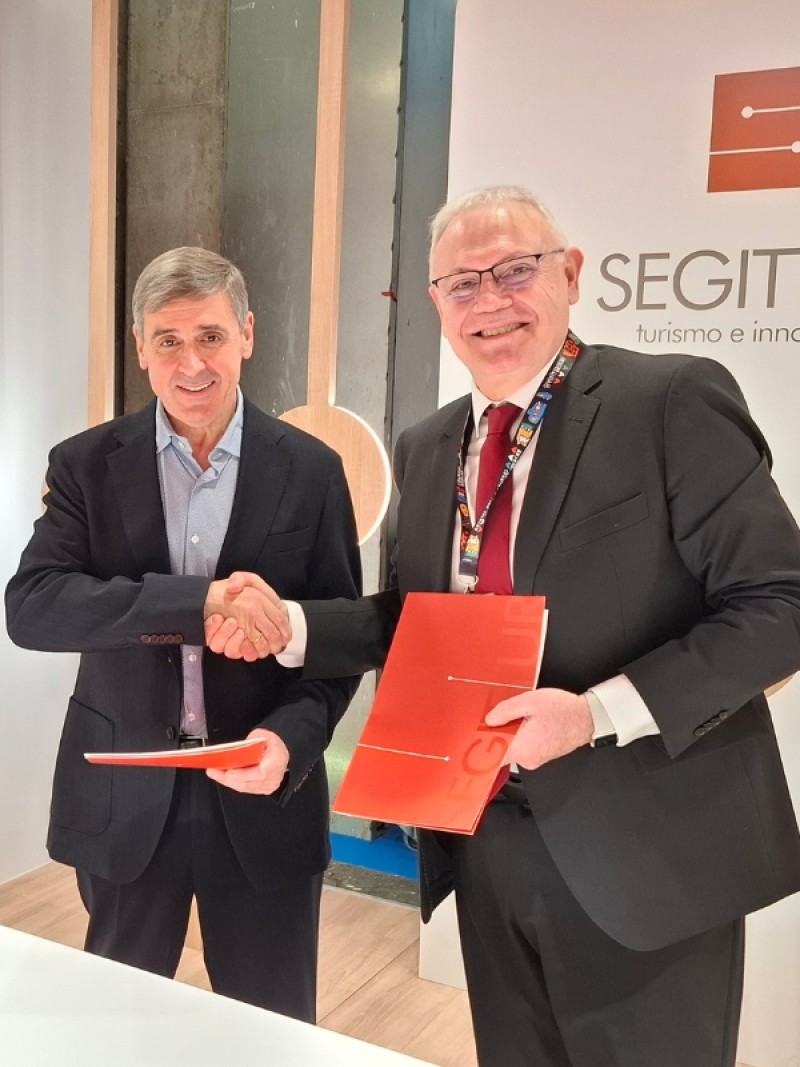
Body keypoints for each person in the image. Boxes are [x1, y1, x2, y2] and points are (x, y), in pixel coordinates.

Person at [207, 186, 800, 1066]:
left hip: (645, 851)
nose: (489, 300)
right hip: (484, 840)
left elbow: (780, 605)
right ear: (436, 303)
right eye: (462, 283)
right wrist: (288, 625)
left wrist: (593, 713)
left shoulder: (668, 400)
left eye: (515, 271)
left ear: (571, 274)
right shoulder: (426, 445)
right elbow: (413, 622)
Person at [5, 247, 361, 1021]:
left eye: (210, 336)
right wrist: (195, 604)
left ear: (247, 335)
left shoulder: (313, 471)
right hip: (126, 800)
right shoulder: (85, 465)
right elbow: (33, 607)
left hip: (266, 793)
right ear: (140, 347)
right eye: (168, 340)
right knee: (118, 1025)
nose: (191, 362)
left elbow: (340, 642)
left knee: (270, 1032)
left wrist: (292, 740)